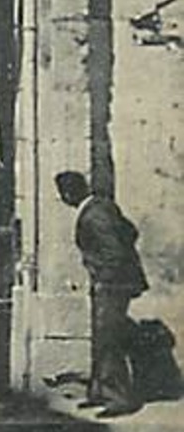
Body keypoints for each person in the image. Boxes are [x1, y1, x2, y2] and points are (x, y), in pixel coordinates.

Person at [56, 170, 149, 417]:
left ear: (68, 193)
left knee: (108, 340)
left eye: (62, 194)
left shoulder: (93, 214)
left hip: (111, 286)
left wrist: (102, 279)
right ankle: (98, 392)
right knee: (102, 338)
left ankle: (118, 398)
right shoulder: (102, 206)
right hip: (115, 285)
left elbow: (113, 252)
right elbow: (130, 232)